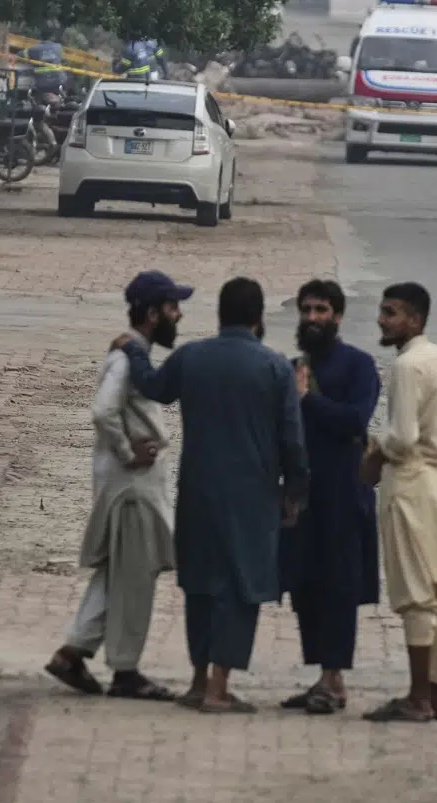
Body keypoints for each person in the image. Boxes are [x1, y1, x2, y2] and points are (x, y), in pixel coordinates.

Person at [111, 276, 309, 714]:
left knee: (200, 582)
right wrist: (295, 492)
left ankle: (198, 683)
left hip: (198, 490)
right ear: (258, 317)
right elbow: (292, 440)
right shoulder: (275, 368)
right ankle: (219, 689)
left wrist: (132, 350)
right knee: (240, 587)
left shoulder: (192, 357)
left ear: (221, 315)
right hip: (252, 496)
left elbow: (153, 387)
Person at [45, 271, 192, 702]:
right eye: (172, 307)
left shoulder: (134, 354)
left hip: (134, 486)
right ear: (153, 313)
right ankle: (126, 671)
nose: (178, 316)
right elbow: (103, 411)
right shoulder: (127, 359)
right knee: (135, 580)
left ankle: (73, 653)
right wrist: (129, 453)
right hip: (132, 489)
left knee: (120, 574)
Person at [361, 283, 437, 724]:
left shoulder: (408, 365)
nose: (382, 320)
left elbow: (403, 438)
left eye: (392, 313)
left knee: (416, 595)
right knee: (436, 593)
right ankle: (434, 694)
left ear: (415, 320)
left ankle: (419, 697)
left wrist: (373, 451)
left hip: (410, 487)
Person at [278, 280, 382, 715]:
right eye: (306, 309)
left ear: (337, 316)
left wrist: (307, 399)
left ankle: (331, 677)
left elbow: (355, 420)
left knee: (339, 585)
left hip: (343, 493)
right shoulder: (292, 368)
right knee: (304, 584)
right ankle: (326, 678)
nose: (312, 317)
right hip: (303, 496)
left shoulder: (359, 366)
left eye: (321, 310)